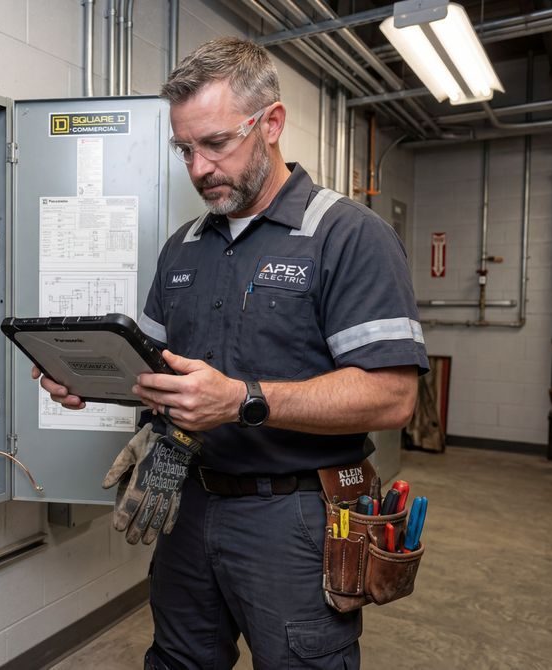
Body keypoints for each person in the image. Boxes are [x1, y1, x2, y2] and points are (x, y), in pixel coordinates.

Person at [33, 37, 428, 669]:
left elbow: (393, 395)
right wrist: (94, 380)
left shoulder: (348, 235)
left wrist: (241, 400)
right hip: (187, 502)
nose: (197, 168)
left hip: (296, 517)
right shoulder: (182, 247)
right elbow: (157, 369)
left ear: (271, 123)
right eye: (184, 149)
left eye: (215, 144)